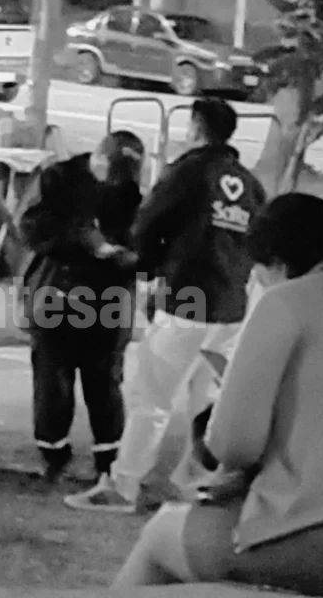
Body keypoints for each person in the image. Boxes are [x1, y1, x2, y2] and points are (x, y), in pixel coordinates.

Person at [114, 192, 323, 596]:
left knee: (161, 534)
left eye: (258, 267)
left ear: (276, 261)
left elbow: (234, 444)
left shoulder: (287, 302)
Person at [64, 98, 266, 512]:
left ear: (195, 128)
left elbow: (149, 221)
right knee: (208, 399)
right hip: (230, 305)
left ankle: (123, 486)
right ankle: (202, 483)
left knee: (151, 398)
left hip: (187, 299)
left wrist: (142, 262)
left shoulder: (189, 172)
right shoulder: (250, 184)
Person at [18, 131, 144, 483]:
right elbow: (30, 227)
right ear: (98, 159)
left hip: (109, 299)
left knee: (104, 382)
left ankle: (108, 462)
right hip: (56, 292)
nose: (117, 186)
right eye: (112, 176)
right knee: (51, 382)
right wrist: (85, 241)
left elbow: (143, 237)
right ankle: (53, 456)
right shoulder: (57, 179)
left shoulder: (131, 192)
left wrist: (129, 256)